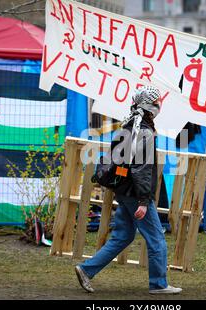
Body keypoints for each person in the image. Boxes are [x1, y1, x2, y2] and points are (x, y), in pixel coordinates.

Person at [75, 86, 182, 295]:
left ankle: (86, 270)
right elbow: (141, 168)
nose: (160, 105)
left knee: (122, 237)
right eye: (158, 102)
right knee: (156, 239)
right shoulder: (144, 131)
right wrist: (144, 201)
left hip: (124, 191)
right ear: (151, 106)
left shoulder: (128, 125)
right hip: (135, 193)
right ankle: (159, 284)